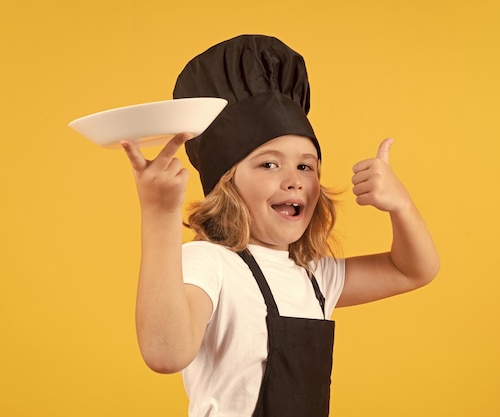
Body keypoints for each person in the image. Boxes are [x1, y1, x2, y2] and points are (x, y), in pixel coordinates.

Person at [120, 35, 439, 417]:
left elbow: (414, 269)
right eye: (269, 164)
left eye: (306, 165)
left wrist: (401, 206)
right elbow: (165, 353)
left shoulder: (314, 276)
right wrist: (159, 215)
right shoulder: (210, 264)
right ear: (226, 184)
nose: (294, 179)